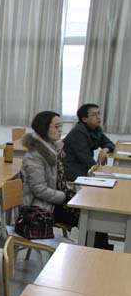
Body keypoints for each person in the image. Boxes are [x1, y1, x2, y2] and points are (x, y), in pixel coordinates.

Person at [21, 111, 110, 249]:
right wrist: (65, 197)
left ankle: (98, 253)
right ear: (44, 128)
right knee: (91, 218)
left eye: (61, 126)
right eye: (56, 127)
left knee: (96, 214)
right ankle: (95, 254)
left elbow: (58, 181)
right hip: (41, 207)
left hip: (55, 201)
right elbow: (39, 190)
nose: (60, 130)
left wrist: (70, 194)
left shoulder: (54, 149)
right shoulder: (34, 156)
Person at [64, 103, 115, 180]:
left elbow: (109, 143)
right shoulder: (78, 132)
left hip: (85, 168)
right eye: (94, 115)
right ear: (84, 119)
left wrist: (105, 150)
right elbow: (86, 159)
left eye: (98, 113)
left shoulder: (96, 129)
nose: (98, 117)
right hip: (73, 170)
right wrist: (99, 171)